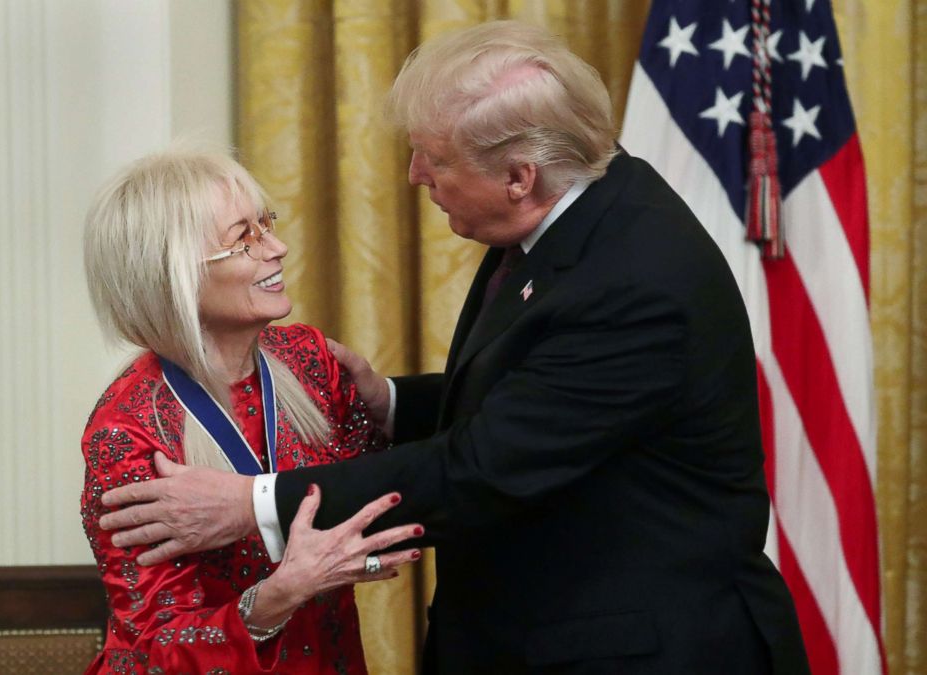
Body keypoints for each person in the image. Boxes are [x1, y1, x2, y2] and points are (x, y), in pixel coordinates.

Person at [99, 21, 811, 674]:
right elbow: (535, 391)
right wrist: (395, 401)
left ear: (518, 177)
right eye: (242, 236)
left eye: (434, 158)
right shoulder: (575, 212)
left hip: (634, 650)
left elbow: (479, 468)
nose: (414, 175)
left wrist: (250, 504)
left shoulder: (634, 279)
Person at [80, 148, 423, 674]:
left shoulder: (310, 360)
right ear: (173, 276)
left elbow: (383, 494)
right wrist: (281, 593)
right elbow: (152, 652)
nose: (278, 248)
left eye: (267, 225)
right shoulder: (128, 428)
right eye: (244, 238)